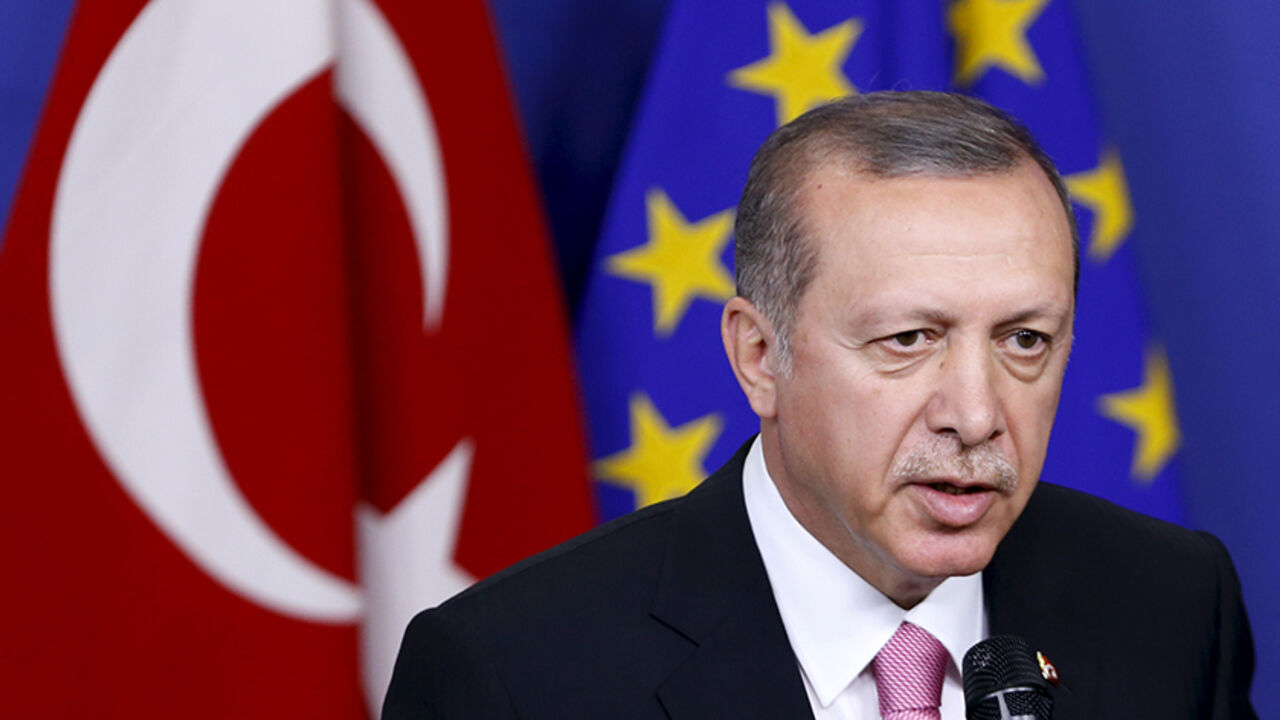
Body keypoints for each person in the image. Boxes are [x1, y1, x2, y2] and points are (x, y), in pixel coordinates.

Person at [382, 92, 1256, 719]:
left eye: (1024, 338)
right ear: (759, 357)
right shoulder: (514, 675)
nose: (978, 414)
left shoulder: (1171, 605)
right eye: (909, 339)